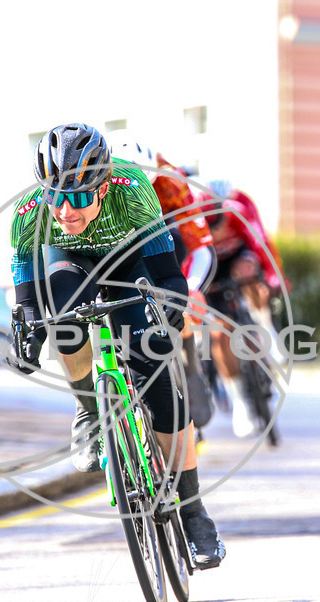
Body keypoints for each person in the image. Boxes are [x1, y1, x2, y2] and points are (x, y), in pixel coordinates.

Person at [8, 123, 225, 568]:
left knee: (158, 383)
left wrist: (169, 308)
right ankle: (89, 407)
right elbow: (27, 301)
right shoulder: (29, 211)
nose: (65, 210)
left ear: (103, 188)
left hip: (130, 260)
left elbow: (168, 275)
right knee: (64, 320)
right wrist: (28, 334)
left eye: (79, 198)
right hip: (69, 262)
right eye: (55, 196)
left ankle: (193, 511)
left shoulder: (133, 188)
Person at [108, 134, 216, 437]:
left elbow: (201, 249)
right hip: (119, 249)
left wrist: (188, 290)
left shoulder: (172, 183)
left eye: (147, 185)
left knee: (173, 244)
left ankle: (189, 368)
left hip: (168, 249)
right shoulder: (95, 185)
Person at [200, 181, 287, 437]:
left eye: (222, 225)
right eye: (214, 230)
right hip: (211, 268)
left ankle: (266, 330)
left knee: (250, 274)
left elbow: (262, 245)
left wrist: (272, 278)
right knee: (219, 333)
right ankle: (239, 402)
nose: (219, 233)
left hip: (237, 258)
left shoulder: (238, 212)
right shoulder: (194, 227)